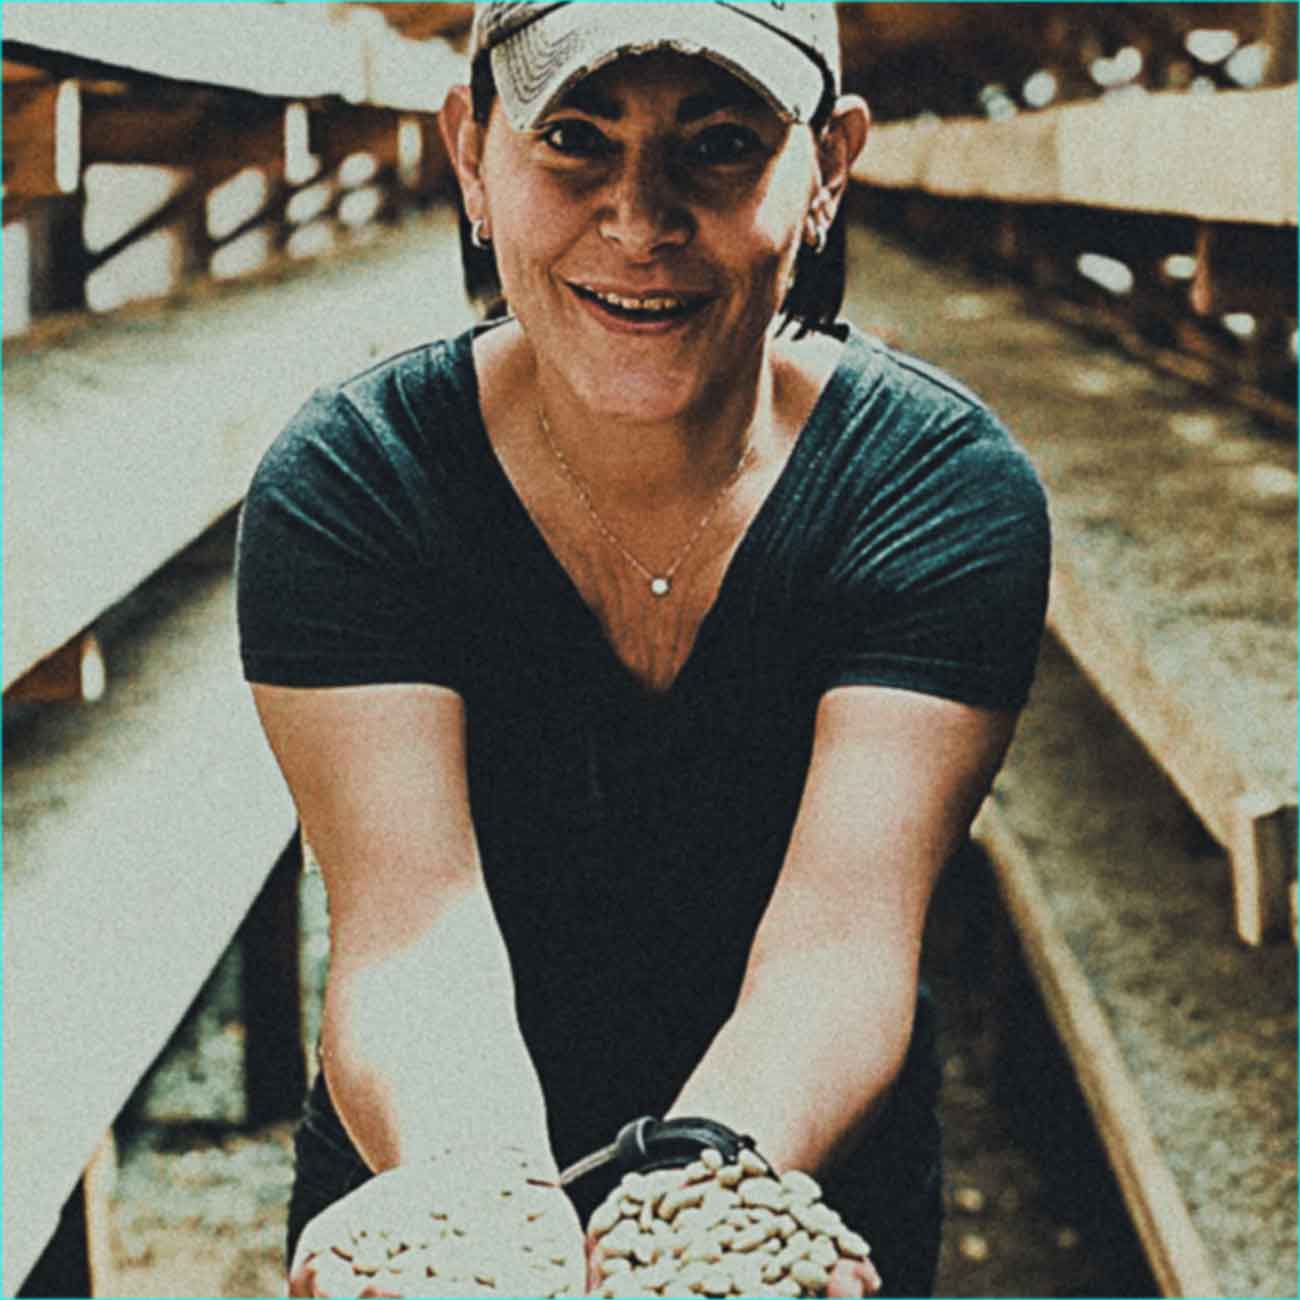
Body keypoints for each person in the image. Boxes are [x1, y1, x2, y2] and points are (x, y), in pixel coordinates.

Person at [235, 3, 1050, 1296]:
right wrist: (479, 1202)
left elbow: (846, 932)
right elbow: (408, 920)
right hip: (426, 1148)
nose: (639, 218)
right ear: (471, 153)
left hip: (794, 1171)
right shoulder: (360, 478)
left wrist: (702, 1188)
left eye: (720, 145)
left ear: (830, 165)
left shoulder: (934, 490)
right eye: (573, 138)